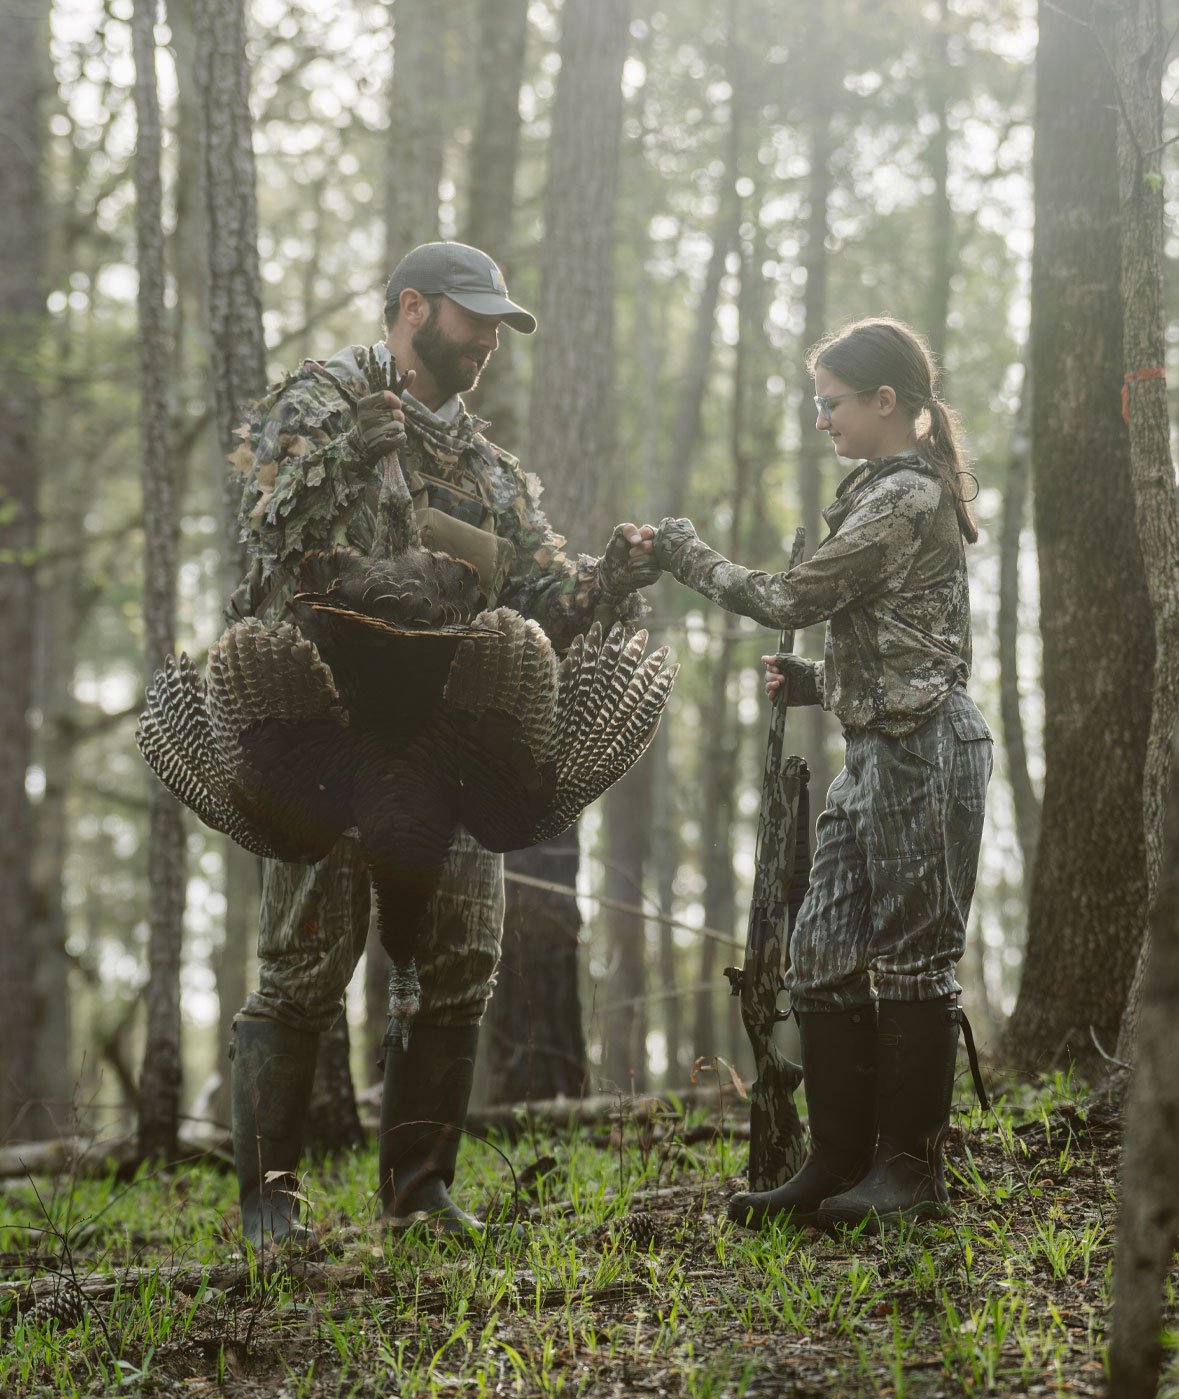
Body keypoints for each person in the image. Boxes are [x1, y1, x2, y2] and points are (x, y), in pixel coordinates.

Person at [228, 241, 657, 1249]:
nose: (487, 345)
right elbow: (267, 541)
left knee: (461, 961)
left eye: (501, 328)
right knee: (303, 963)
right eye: (474, 323)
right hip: (326, 729)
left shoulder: (486, 467)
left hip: (450, 739)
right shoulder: (320, 402)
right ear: (412, 310)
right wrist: (343, 453)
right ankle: (267, 1205)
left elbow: (544, 598)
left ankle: (418, 1194)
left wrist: (612, 576)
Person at [642, 316, 993, 1230]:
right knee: (823, 952)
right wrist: (816, 679)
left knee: (916, 963)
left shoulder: (905, 497)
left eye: (830, 403)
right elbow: (899, 631)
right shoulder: (878, 491)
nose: (820, 419)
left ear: (885, 402)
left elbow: (792, 596)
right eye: (815, 403)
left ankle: (909, 1174)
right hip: (872, 748)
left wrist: (684, 554)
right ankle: (838, 1163)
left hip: (925, 748)